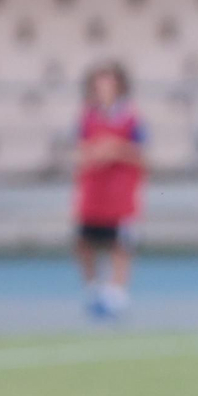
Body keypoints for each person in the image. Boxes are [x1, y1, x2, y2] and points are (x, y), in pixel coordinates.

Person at [72, 61, 147, 320]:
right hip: (94, 193)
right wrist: (95, 153)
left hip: (120, 194)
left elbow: (142, 154)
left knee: (120, 244)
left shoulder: (130, 118)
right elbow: (81, 151)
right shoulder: (88, 117)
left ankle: (117, 293)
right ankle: (93, 289)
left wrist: (115, 149)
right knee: (84, 243)